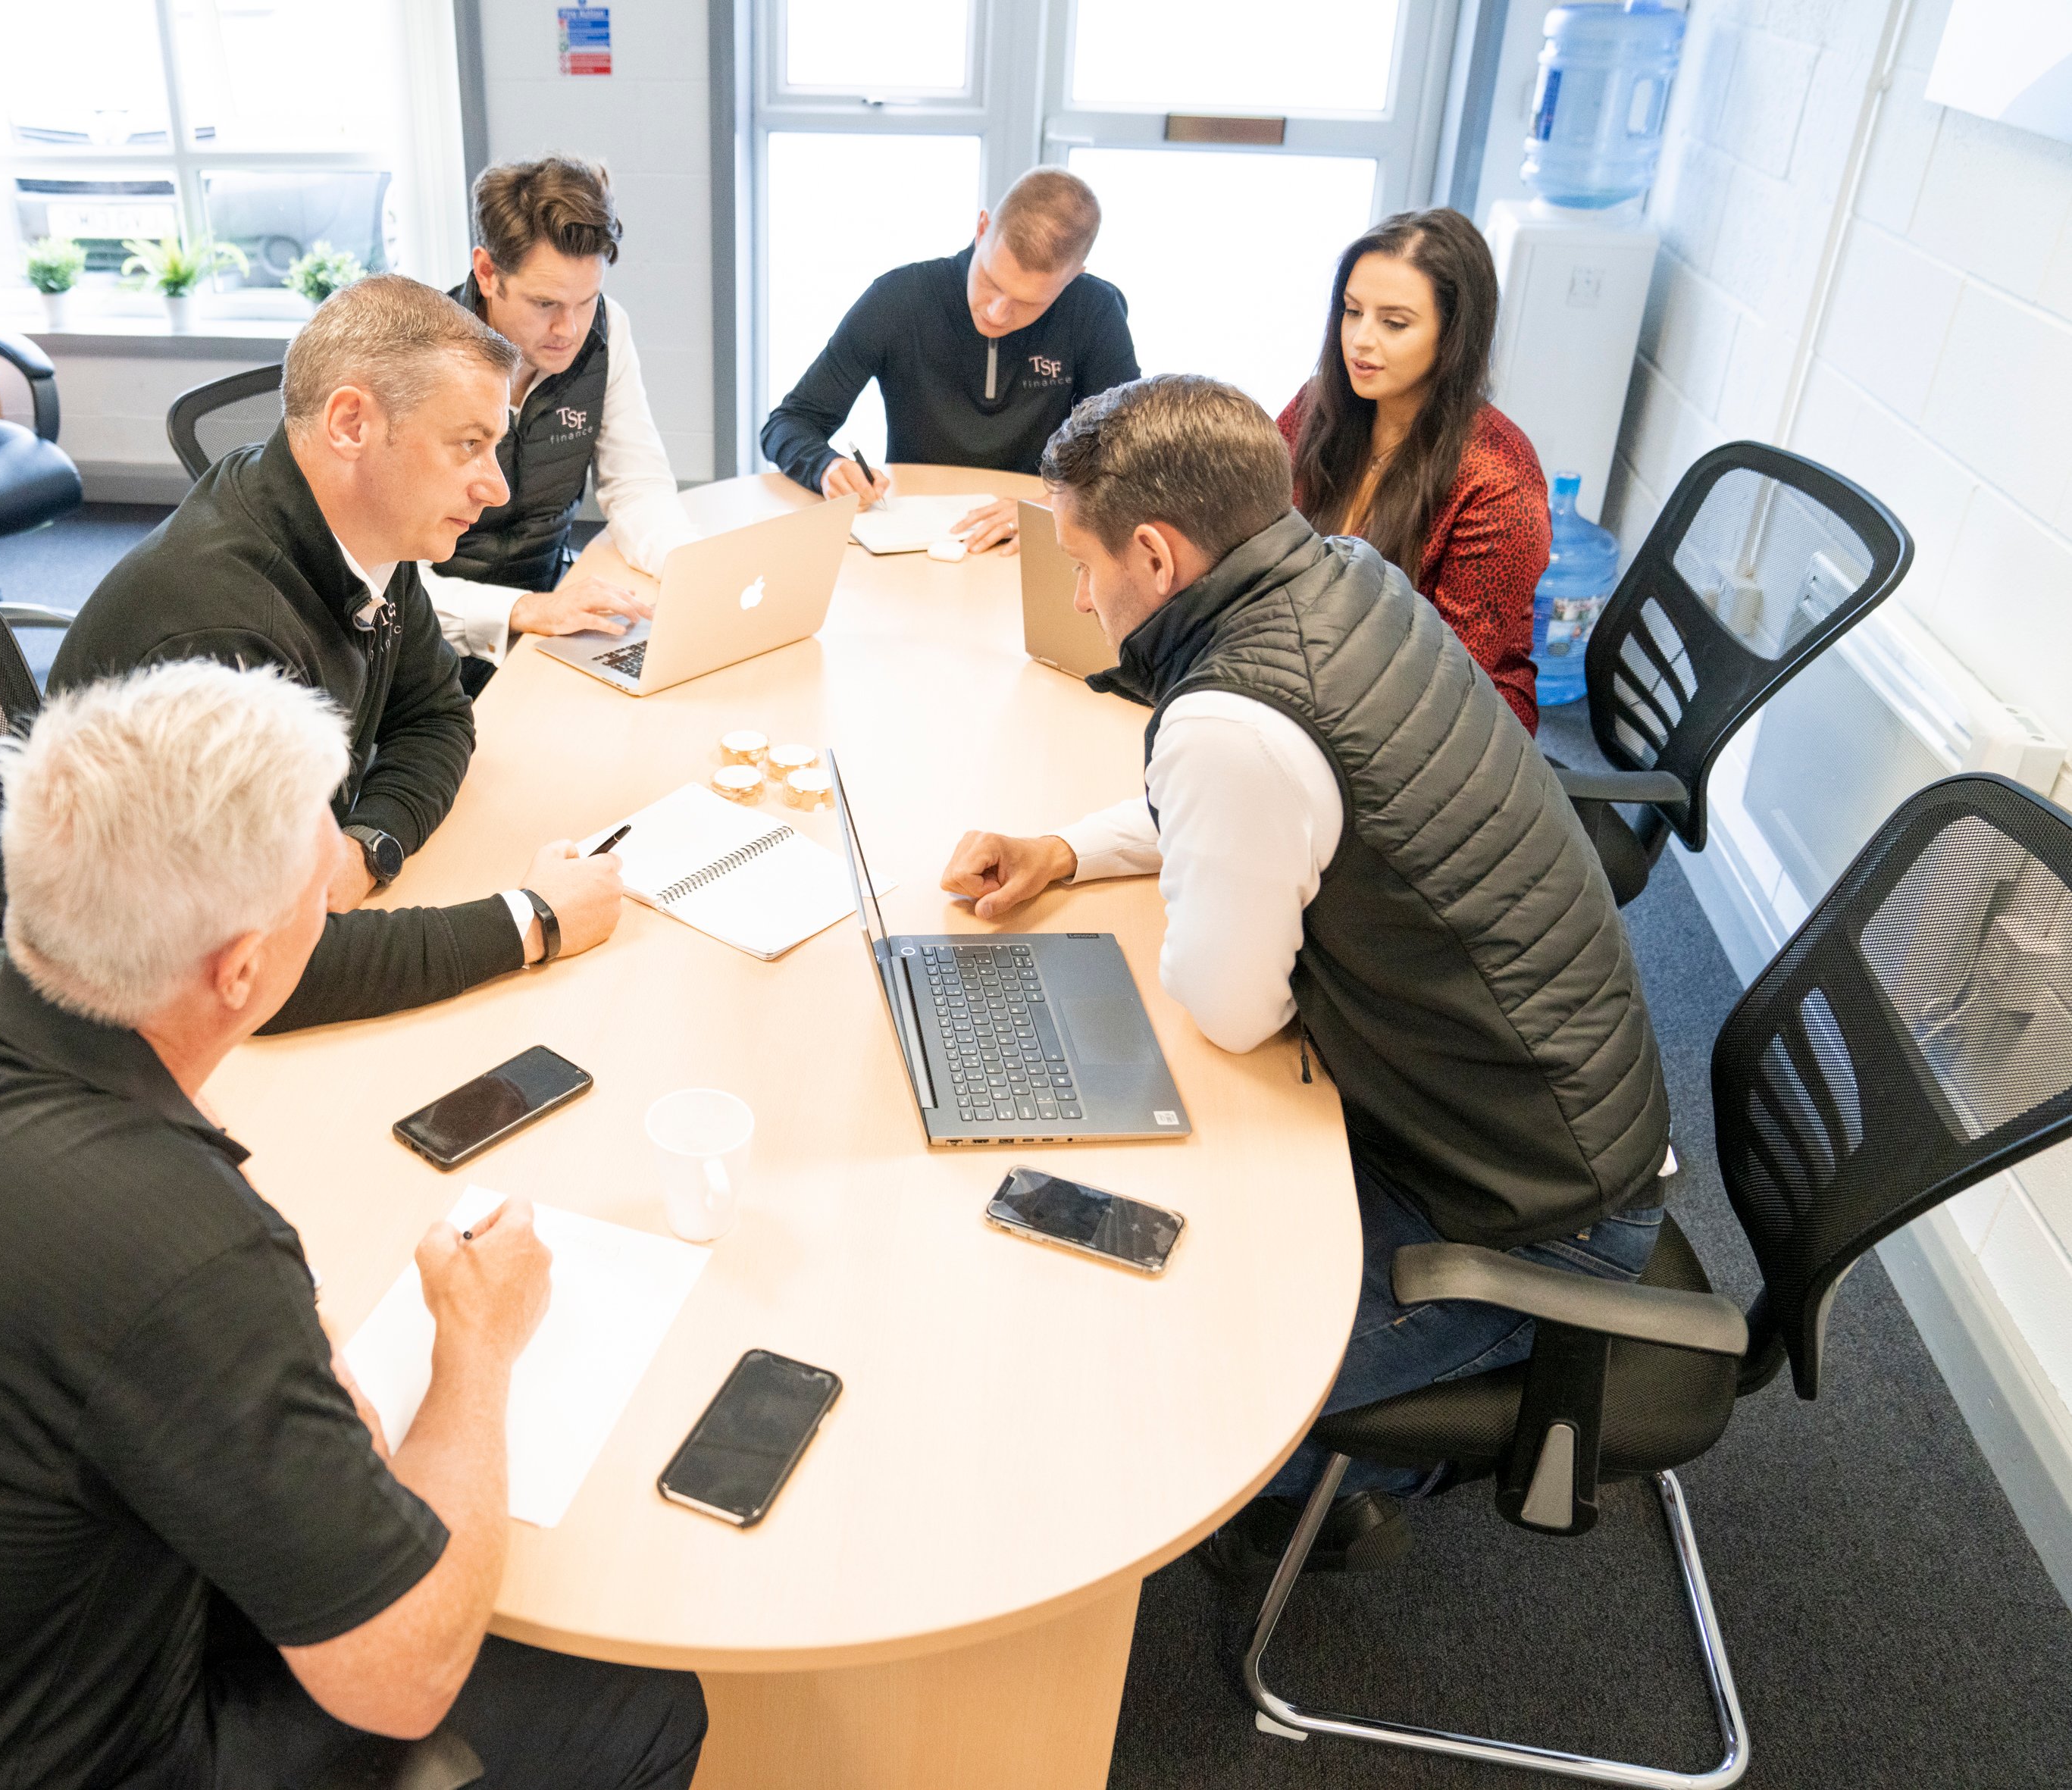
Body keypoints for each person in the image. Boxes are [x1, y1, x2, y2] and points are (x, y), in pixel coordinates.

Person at [0, 659, 706, 1790]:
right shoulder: (182, 1255)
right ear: (243, 970)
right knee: (637, 1705)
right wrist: (476, 1345)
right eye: (322, 886)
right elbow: (403, 1676)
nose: (336, 888)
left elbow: (143, 1209)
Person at [937, 375, 1670, 1573]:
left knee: (1125, 1380)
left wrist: (1196, 906)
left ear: (1158, 556)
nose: (1077, 594)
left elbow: (1229, 1007)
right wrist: (1068, 847)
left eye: (1082, 563)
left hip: (1529, 1222)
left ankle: (1372, 1466)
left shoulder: (1234, 713)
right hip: (1544, 1118)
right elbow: (1264, 796)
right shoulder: (1334, 579)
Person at [26, 274, 623, 1033]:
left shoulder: (370, 530)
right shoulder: (213, 636)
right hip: (105, 1028)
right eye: (468, 445)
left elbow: (437, 715)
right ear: (351, 425)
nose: (498, 488)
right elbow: (261, 973)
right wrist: (531, 920)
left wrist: (366, 847)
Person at [759, 167, 1138, 555]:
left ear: (1074, 277)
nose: (996, 312)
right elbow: (788, 423)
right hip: (911, 541)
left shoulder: (1094, 310)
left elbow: (1127, 451)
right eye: (991, 279)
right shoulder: (899, 300)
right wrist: (827, 467)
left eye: (1029, 302)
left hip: (1029, 542)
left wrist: (1053, 508)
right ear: (982, 227)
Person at [426, 156, 700, 686]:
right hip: (434, 645)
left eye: (585, 300)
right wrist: (524, 611)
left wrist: (691, 569)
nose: (567, 329)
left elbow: (635, 484)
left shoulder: (606, 329)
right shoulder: (418, 359)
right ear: (487, 273)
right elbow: (383, 583)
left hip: (549, 613)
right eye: (544, 302)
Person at [1279, 208, 1551, 731]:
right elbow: (1247, 531)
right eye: (1352, 311)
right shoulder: (1319, 406)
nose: (1359, 340)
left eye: (1393, 323)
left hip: (1443, 728)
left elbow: (1446, 672)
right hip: (1311, 676)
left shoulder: (1499, 480)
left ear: (1452, 335)